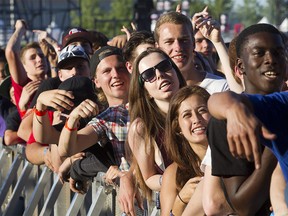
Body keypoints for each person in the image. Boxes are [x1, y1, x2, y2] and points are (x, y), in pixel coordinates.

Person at [203, 23, 287, 215]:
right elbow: (242, 206)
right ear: (240, 66)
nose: (270, 60)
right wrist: (277, 144)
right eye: (259, 53)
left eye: (278, 53)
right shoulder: (225, 119)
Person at [56, 46, 139, 215]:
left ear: (131, 70)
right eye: (107, 71)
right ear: (96, 82)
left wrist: (128, 174)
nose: (115, 74)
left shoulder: (152, 104)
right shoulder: (108, 117)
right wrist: (73, 118)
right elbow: (68, 148)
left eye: (120, 68)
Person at [127, 47, 186, 199]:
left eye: (164, 66)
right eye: (149, 75)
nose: (159, 75)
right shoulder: (140, 128)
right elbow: (148, 178)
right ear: (145, 91)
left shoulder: (200, 105)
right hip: (178, 202)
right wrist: (172, 180)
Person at [26, 45, 91, 169]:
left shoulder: (103, 98)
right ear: (60, 75)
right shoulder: (54, 107)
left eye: (80, 66)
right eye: (68, 68)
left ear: (90, 70)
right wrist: (40, 105)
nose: (74, 72)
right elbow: (37, 141)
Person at [160, 85, 209, 215]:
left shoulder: (234, 155)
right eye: (187, 115)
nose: (197, 119)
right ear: (177, 127)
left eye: (202, 110)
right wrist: (181, 200)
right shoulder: (173, 173)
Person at [5, 19, 48, 118]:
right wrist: (20, 29)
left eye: (41, 56)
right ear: (23, 66)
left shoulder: (52, 82)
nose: (39, 59)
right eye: (32, 57)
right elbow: (11, 51)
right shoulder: (23, 85)